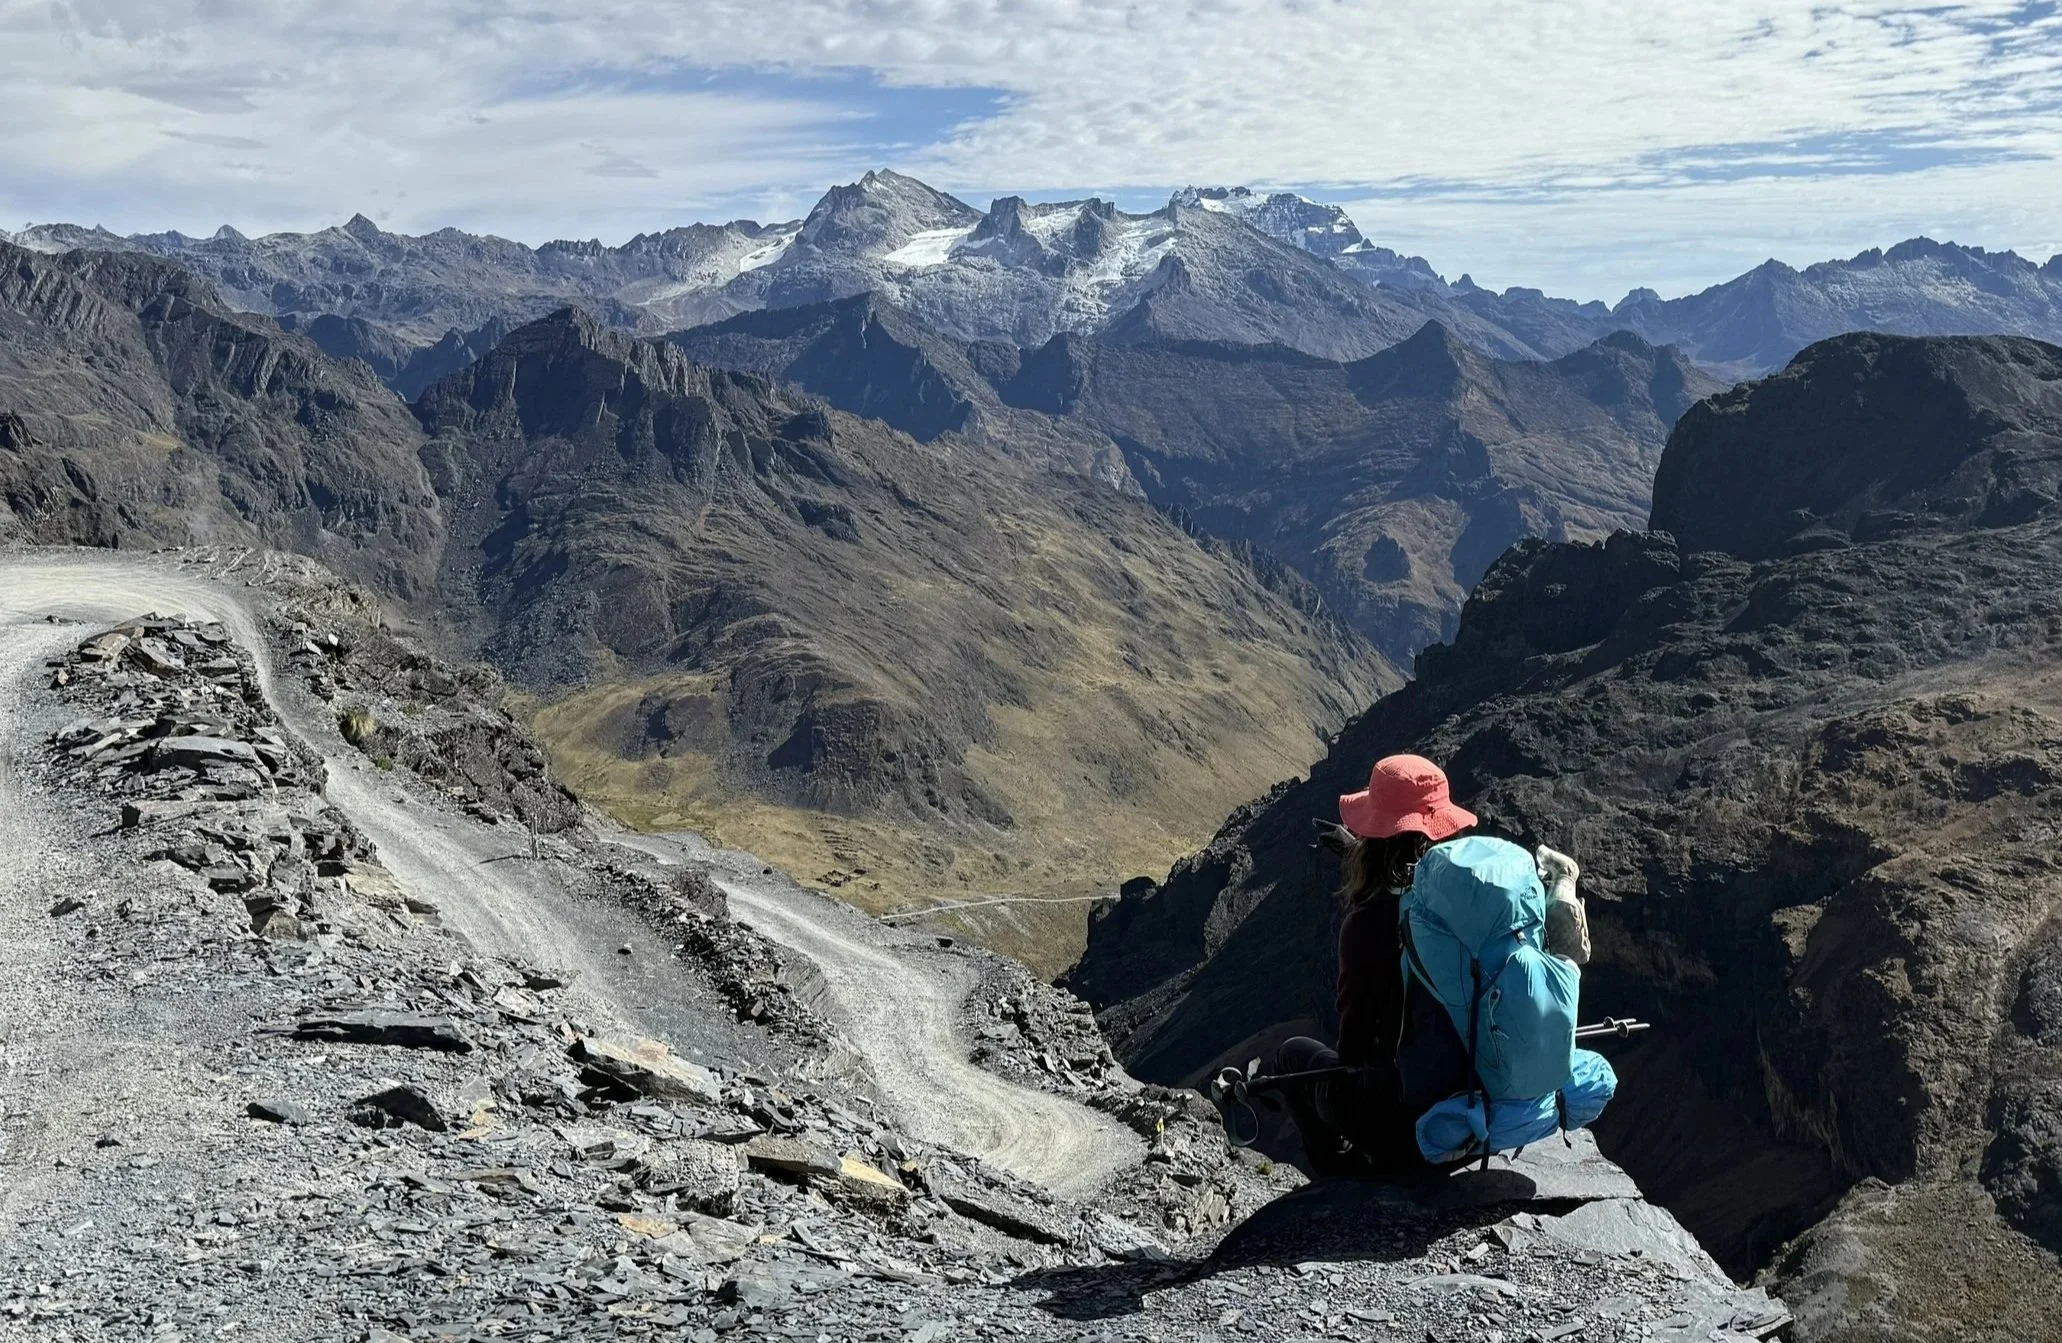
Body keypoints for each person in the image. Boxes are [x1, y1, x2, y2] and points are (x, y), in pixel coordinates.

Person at [1277, 754, 1591, 1176]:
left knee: (1293, 1056)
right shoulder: (1490, 909)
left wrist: (1367, 878)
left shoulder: (1366, 926)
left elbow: (1351, 1050)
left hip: (1414, 1135)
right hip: (1487, 1118)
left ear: (1374, 838)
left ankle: (1339, 1183)